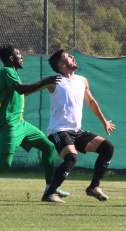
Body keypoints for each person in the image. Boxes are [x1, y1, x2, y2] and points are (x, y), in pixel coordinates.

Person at [0, 44, 66, 203]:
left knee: (48, 146)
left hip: (21, 124)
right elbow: (21, 89)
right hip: (10, 125)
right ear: (11, 59)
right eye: (19, 55)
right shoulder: (7, 71)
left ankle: (50, 188)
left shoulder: (11, 74)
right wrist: (46, 81)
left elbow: (9, 92)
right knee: (5, 163)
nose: (22, 57)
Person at [41, 49, 116, 203]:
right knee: (72, 158)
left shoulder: (82, 80)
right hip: (59, 130)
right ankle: (49, 193)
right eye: (68, 56)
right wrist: (3, 95)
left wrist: (104, 121)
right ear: (62, 64)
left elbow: (91, 102)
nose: (72, 56)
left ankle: (94, 187)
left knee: (107, 147)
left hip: (77, 132)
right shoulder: (54, 80)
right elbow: (30, 88)